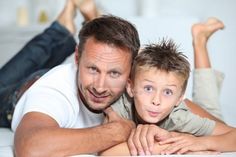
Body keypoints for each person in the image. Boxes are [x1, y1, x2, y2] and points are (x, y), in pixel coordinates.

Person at [0, 0, 227, 156]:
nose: (100, 86)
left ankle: (77, 23)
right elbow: (31, 149)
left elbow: (221, 129)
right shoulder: (53, 90)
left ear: (132, 73)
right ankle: (61, 29)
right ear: (77, 58)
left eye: (115, 73)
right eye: (93, 69)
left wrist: (193, 142)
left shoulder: (147, 86)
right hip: (18, 93)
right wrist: (120, 130)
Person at [100, 18, 236, 156]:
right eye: (148, 89)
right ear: (130, 87)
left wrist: (199, 142)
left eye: (167, 92)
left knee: (217, 119)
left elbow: (232, 135)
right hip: (162, 92)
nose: (156, 100)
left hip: (180, 105)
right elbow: (107, 153)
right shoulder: (120, 107)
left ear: (179, 98)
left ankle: (200, 41)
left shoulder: (179, 116)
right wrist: (171, 141)